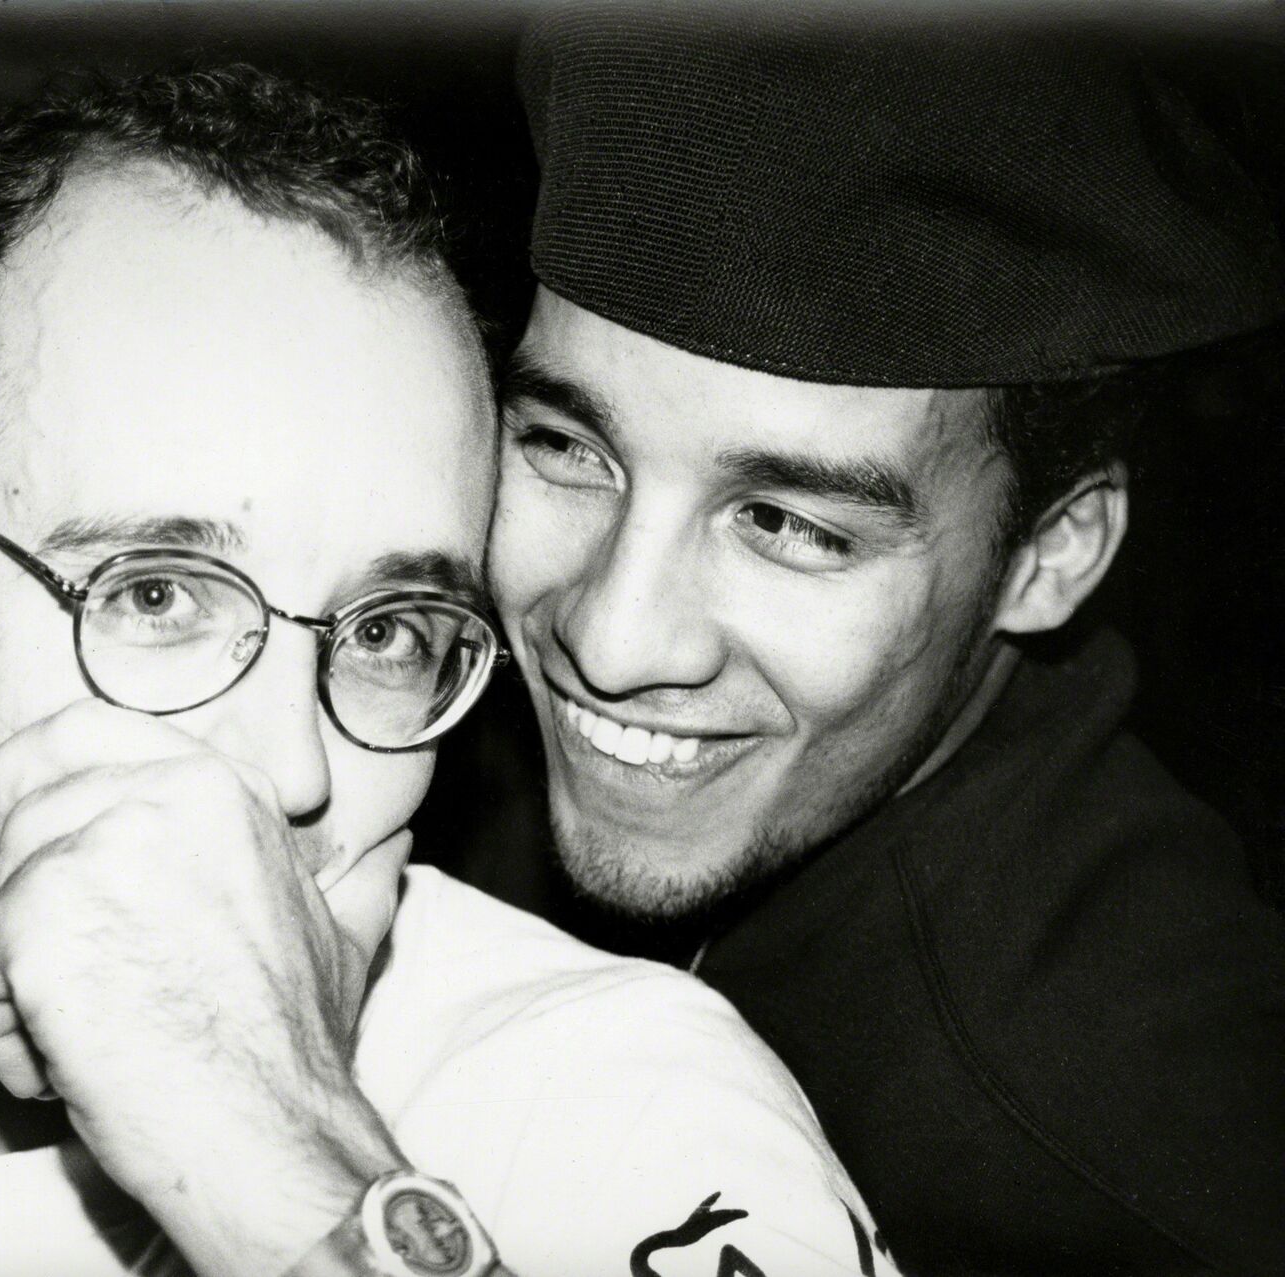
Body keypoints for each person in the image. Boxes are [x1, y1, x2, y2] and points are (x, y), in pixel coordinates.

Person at [0, 65, 891, 1277]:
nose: (297, 769)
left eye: (384, 632)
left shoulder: (610, 1105)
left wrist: (286, 1156)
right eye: (157, 596)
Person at [468, 10, 1285, 1276]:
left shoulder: (1105, 1173)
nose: (609, 637)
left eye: (787, 523)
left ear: (1049, 552)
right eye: (568, 447)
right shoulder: (421, 758)